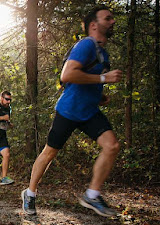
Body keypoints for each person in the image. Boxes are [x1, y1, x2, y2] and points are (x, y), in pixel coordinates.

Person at [21, 5, 122, 217]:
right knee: (49, 153)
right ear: (94, 25)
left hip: (89, 112)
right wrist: (104, 78)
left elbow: (84, 79)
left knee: (111, 146)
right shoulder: (86, 44)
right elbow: (67, 75)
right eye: (108, 18)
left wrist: (99, 95)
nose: (112, 22)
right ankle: (30, 193)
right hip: (68, 111)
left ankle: (92, 195)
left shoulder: (102, 53)